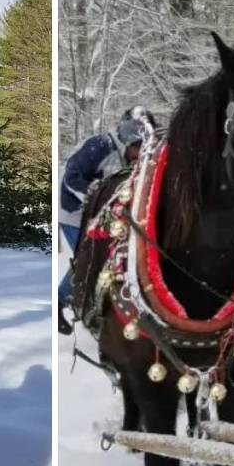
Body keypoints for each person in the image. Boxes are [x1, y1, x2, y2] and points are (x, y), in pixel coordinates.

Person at [57, 107, 154, 334]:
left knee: (108, 259)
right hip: (75, 215)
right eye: (138, 148)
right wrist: (93, 196)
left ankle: (96, 302)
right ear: (129, 141)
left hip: (103, 217)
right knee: (87, 259)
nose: (140, 155)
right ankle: (62, 300)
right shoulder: (99, 146)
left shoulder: (135, 158)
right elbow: (71, 176)